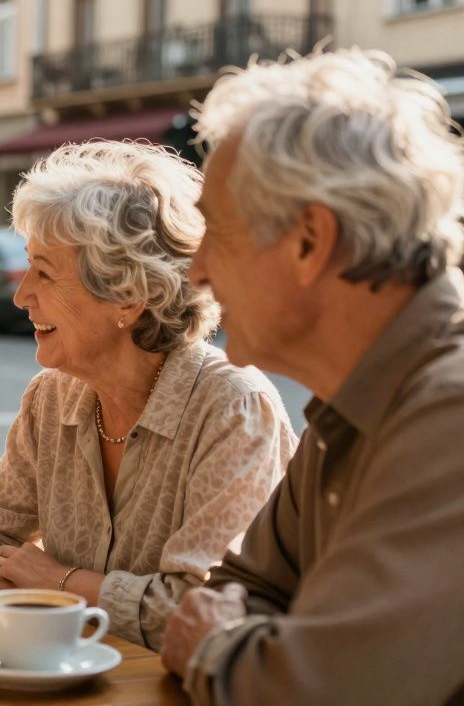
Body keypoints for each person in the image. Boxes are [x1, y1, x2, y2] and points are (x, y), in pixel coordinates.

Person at [159, 49, 464, 704]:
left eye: (217, 232)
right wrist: (263, 650)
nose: (196, 272)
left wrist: (220, 650)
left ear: (308, 241)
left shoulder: (450, 406)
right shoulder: (352, 401)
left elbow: (325, 686)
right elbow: (242, 595)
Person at [0, 141, 297, 649]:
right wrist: (46, 585)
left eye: (44, 273)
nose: (21, 297)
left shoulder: (232, 409)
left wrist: (56, 583)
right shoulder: (51, 397)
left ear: (129, 296)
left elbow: (199, 611)